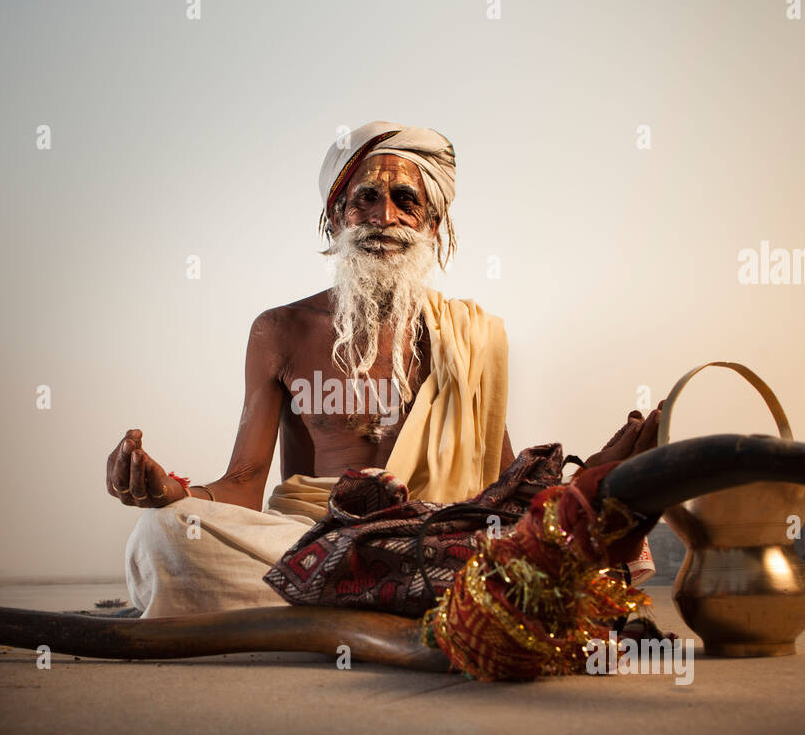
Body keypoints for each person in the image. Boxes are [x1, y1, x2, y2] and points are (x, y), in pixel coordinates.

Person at [107, 121, 661, 618]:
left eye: (404, 200)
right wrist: (172, 493)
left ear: (434, 225)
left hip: (437, 534)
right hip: (313, 537)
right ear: (335, 217)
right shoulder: (279, 330)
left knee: (573, 535)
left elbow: (502, 484)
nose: (384, 217)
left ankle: (347, 598)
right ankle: (434, 599)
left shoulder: (469, 335)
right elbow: (246, 485)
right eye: (364, 198)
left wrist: (589, 487)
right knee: (166, 534)